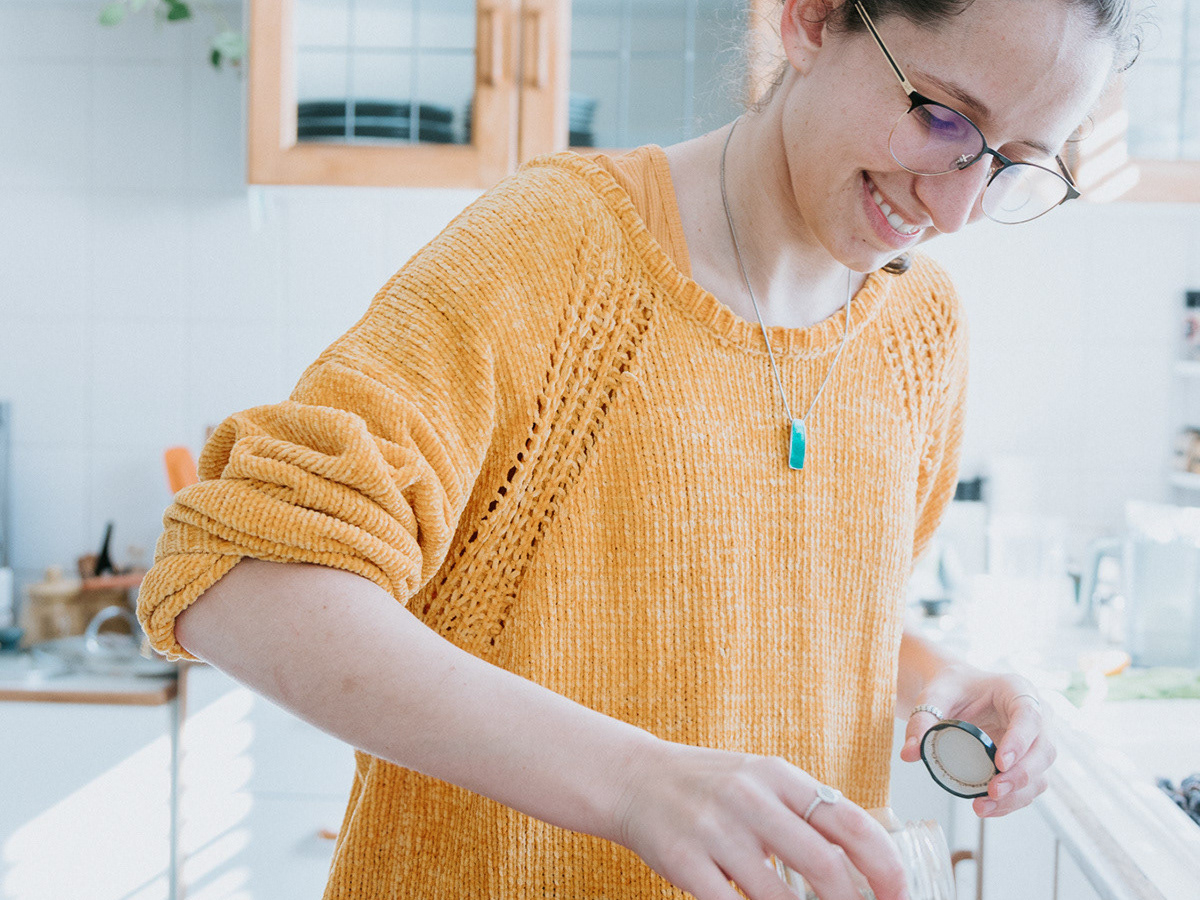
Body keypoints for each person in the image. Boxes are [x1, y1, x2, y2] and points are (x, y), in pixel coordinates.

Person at [137, 1, 1136, 898]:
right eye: (943, 118)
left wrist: (931, 676)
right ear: (811, 19)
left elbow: (774, 607)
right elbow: (238, 577)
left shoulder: (922, 331)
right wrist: (631, 782)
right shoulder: (560, 249)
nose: (956, 209)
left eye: (1014, 162)